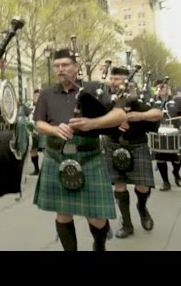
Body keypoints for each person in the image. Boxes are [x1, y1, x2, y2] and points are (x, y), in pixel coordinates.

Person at [33, 48, 126, 251]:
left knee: (96, 218)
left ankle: (99, 244)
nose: (60, 69)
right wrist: (55, 129)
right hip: (56, 157)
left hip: (88, 156)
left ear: (76, 67)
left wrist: (92, 124)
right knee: (63, 213)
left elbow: (119, 115)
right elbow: (39, 124)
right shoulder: (47, 93)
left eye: (65, 65)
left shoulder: (95, 89)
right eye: (57, 66)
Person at [102, 67, 160, 239]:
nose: (113, 82)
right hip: (113, 145)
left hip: (136, 145)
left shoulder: (139, 97)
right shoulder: (105, 97)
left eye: (117, 79)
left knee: (142, 187)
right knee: (119, 185)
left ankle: (142, 208)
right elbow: (97, 119)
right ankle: (126, 223)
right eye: (112, 79)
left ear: (127, 82)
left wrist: (137, 115)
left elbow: (157, 114)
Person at [155, 83, 181, 190]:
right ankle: (166, 182)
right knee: (160, 158)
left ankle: (176, 172)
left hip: (175, 133)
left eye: (164, 87)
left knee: (178, 158)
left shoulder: (176, 101)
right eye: (160, 88)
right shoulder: (153, 102)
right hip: (159, 133)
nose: (162, 90)